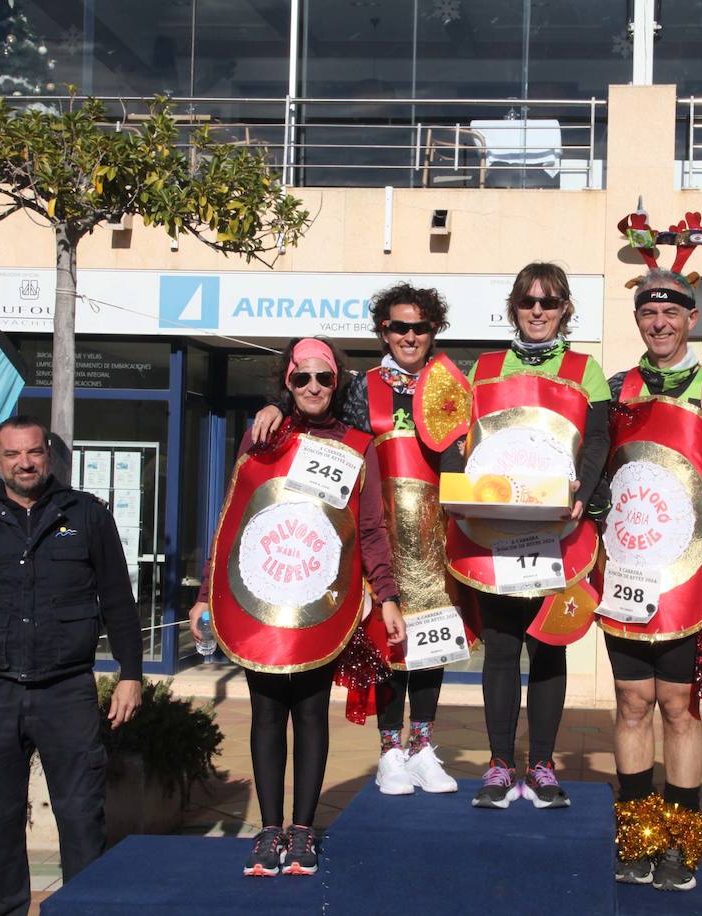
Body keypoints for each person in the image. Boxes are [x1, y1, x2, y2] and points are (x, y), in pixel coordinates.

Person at [0, 415, 143, 916]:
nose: (24, 463)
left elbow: (119, 603)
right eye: (13, 454)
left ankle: (83, 909)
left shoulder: (87, 517)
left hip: (67, 693)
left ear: (49, 455)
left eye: (33, 452)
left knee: (81, 817)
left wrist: (130, 674)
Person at [189, 336, 404, 877]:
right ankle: (268, 831)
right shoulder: (261, 437)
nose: (312, 387)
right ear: (286, 382)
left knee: (310, 714)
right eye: (301, 378)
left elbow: (372, 527)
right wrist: (203, 597)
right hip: (263, 596)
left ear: (338, 383)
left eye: (323, 378)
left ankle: (303, 830)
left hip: (320, 602)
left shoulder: (358, 444)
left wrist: (388, 595)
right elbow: (231, 523)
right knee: (265, 713)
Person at [250, 285, 470, 796]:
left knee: (432, 644)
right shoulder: (356, 387)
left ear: (433, 330)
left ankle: (422, 746)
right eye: (398, 327)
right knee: (387, 647)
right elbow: (321, 432)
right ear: (383, 333)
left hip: (436, 538)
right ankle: (390, 750)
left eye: (419, 327)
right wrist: (276, 408)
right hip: (375, 537)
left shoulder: (455, 385)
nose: (409, 336)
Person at [443, 262, 611, 810]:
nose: (538, 311)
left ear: (565, 309)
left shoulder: (587, 369)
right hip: (495, 532)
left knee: (547, 647)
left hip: (556, 533)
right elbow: (458, 438)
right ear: (514, 307)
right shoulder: (484, 367)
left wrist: (582, 490)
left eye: (550, 301)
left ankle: (540, 765)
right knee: (500, 649)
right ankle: (497, 766)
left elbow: (598, 440)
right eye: (528, 302)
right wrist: (456, 481)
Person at [600, 267, 702, 892]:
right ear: (637, 320)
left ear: (691, 318)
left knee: (678, 706)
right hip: (628, 568)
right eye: (646, 314)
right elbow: (597, 475)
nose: (658, 324)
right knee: (634, 703)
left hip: (690, 576)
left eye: (670, 314)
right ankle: (636, 838)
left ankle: (681, 843)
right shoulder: (615, 387)